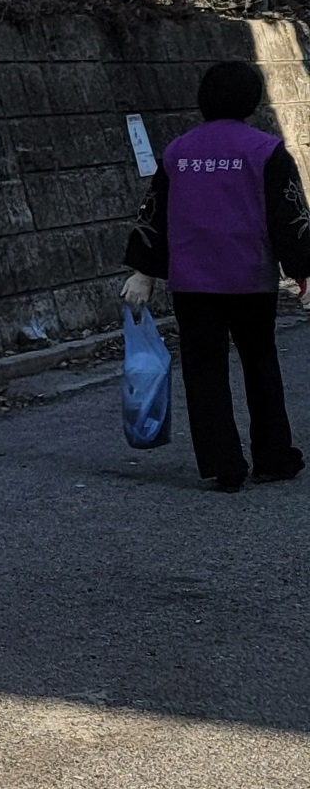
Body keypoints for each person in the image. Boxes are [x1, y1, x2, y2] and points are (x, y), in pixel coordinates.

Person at [123, 61, 310, 493]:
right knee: (260, 364)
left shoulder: (178, 152)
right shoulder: (266, 151)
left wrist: (144, 272)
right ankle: (273, 457)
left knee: (203, 370)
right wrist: (303, 272)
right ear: (252, 100)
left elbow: (155, 214)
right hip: (249, 279)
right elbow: (288, 216)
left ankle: (222, 463)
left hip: (192, 282)